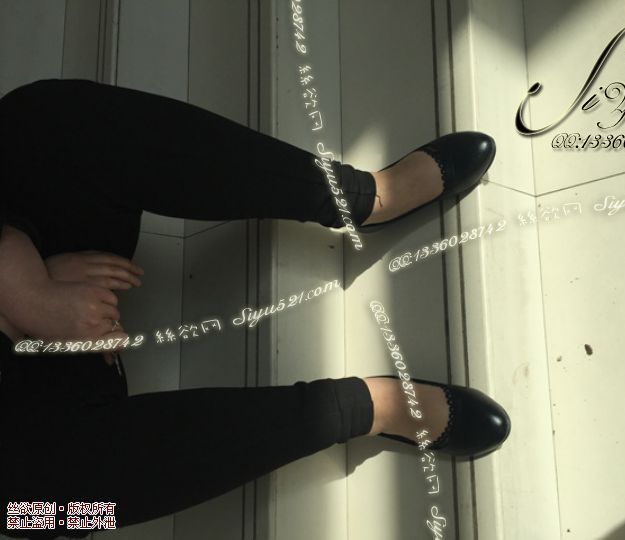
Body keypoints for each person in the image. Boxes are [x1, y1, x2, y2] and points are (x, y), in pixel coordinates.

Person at [0, 78, 510, 539]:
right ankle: (365, 407)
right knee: (31, 511)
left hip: (25, 256)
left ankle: (360, 195)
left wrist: (24, 288)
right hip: (32, 418)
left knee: (36, 121)